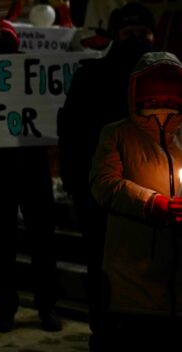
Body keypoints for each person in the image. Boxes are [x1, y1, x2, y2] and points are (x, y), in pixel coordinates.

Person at [58, 1, 156, 350]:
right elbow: (70, 131)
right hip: (100, 195)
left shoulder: (165, 79)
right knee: (102, 265)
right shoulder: (91, 76)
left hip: (153, 195)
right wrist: (76, 183)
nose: (138, 41)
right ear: (116, 36)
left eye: (144, 35)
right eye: (130, 35)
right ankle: (106, 332)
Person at [90, 51, 182, 348]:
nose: (162, 97)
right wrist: (153, 203)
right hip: (134, 266)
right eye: (154, 89)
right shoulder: (117, 134)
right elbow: (103, 183)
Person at [0, 20, 62, 333]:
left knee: (40, 241)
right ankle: (9, 309)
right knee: (4, 244)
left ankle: (44, 307)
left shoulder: (31, 70)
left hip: (31, 167)